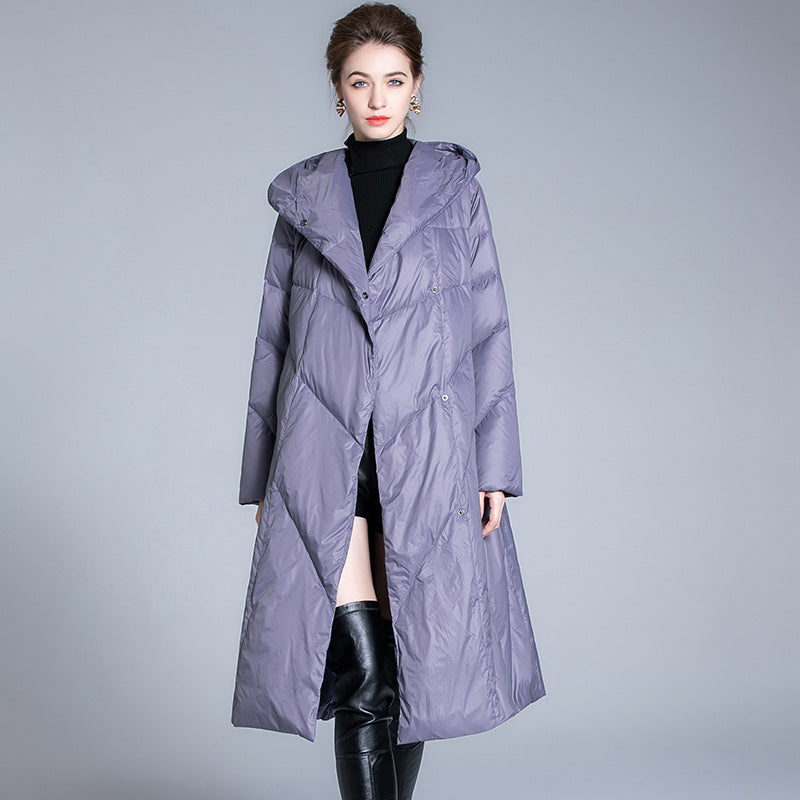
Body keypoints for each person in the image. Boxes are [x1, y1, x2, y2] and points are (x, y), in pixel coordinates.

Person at [234, 3, 546, 799]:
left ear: (418, 87)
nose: (378, 98)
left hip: (429, 457)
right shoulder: (303, 202)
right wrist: (263, 479)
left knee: (413, 677)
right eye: (359, 82)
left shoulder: (455, 193)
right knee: (365, 675)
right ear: (336, 91)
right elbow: (273, 344)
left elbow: (488, 330)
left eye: (394, 81)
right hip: (323, 457)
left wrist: (495, 468)